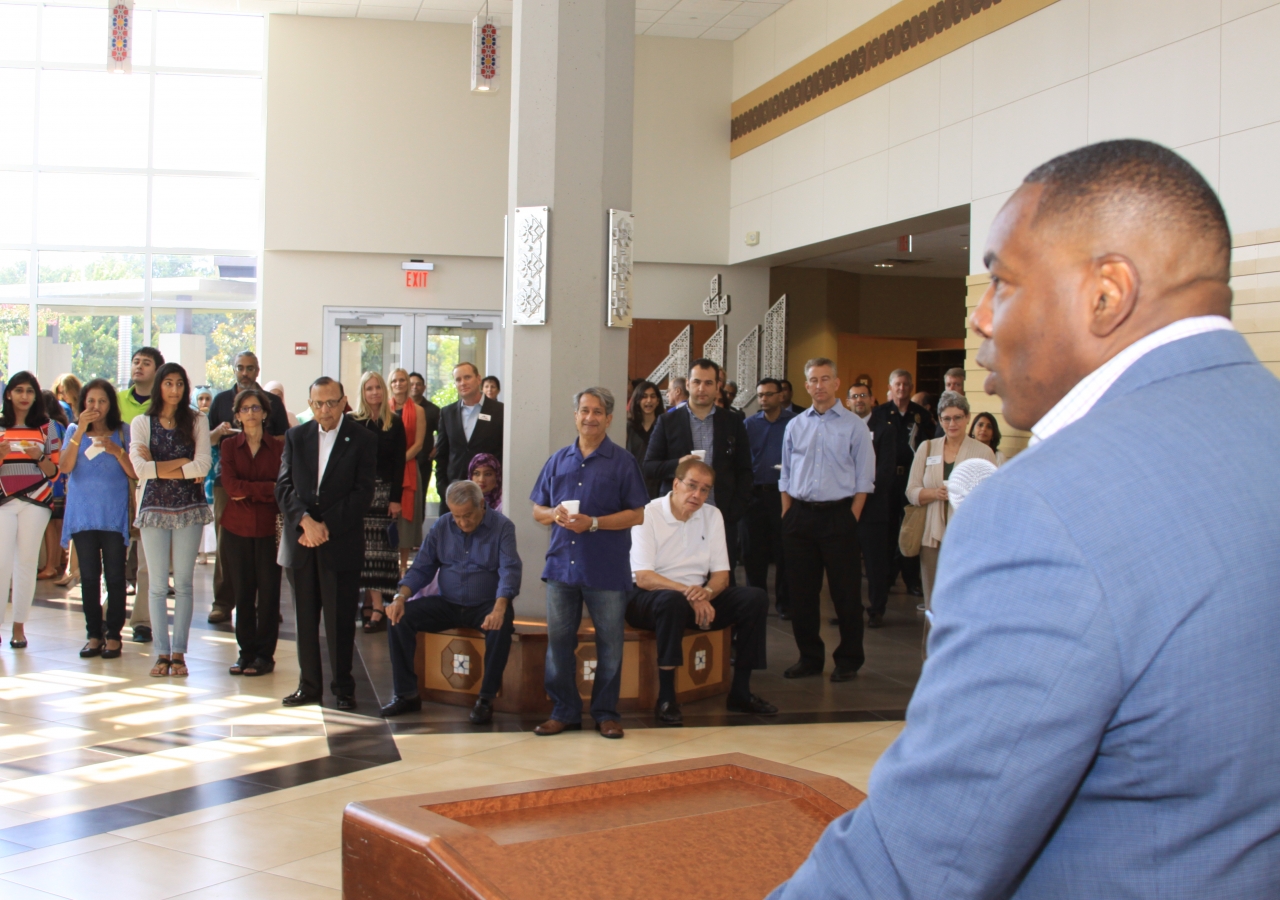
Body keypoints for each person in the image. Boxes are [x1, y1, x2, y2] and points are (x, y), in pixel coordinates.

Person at [771, 140, 1280, 898]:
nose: (978, 318)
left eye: (1002, 282)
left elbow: (917, 864)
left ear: (1106, 294)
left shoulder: (1045, 508)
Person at [530, 387, 648, 740]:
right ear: (576, 415)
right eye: (584, 410)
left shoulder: (623, 462)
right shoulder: (558, 460)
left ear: (609, 419)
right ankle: (563, 711)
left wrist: (594, 523)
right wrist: (554, 513)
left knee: (610, 644)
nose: (590, 417)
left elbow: (638, 515)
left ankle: (606, 714)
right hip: (561, 569)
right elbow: (537, 510)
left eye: (598, 412)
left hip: (606, 569)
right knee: (559, 644)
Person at [627, 458, 776, 726]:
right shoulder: (647, 513)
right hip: (650, 597)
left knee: (754, 598)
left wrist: (705, 593)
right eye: (692, 486)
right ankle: (666, 698)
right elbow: (644, 577)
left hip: (695, 597)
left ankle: (741, 691)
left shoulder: (712, 515)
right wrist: (691, 593)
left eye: (705, 489)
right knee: (671, 602)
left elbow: (721, 576)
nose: (697, 495)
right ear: (675, 483)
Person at [379, 480, 521, 724]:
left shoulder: (502, 527)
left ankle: (485, 700)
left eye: (468, 515)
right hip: (448, 603)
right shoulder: (442, 526)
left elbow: (510, 570)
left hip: (486, 604)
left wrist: (500, 608)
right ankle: (407, 694)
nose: (462, 522)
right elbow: (422, 566)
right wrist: (400, 597)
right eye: (456, 516)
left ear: (481, 505)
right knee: (399, 619)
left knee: (501, 626)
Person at [276, 376, 377, 710]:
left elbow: (363, 493)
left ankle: (343, 687)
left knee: (340, 621)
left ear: (344, 402)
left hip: (340, 543)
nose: (324, 409)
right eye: (318, 403)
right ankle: (309, 686)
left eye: (331, 402)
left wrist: (324, 526)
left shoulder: (361, 439)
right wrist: (305, 521)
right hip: (301, 542)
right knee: (304, 620)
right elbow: (284, 487)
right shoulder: (296, 436)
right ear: (310, 404)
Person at [778, 358, 874, 682]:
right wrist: (787, 512)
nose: (819, 385)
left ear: (836, 383)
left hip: (838, 517)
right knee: (802, 595)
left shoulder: (854, 426)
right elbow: (786, 474)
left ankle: (848, 659)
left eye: (825, 378)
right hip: (800, 517)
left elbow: (865, 479)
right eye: (813, 380)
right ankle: (809, 658)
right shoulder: (795, 425)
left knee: (845, 593)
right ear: (806, 386)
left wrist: (852, 517)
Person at [130, 362, 213, 678]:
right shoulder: (142, 422)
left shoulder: (197, 420)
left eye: (180, 383)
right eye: (169, 383)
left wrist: (163, 464)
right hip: (152, 507)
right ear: (159, 386)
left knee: (184, 583)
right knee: (155, 585)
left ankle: (179, 653)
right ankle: (160, 654)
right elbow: (140, 469)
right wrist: (182, 463)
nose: (175, 389)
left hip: (189, 507)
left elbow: (202, 464)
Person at [643, 359, 753, 581]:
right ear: (688, 384)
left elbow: (744, 470)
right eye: (697, 382)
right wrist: (678, 464)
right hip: (677, 517)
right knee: (679, 576)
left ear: (717, 386)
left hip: (721, 515)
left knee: (722, 579)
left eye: (708, 383)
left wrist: (735, 511)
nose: (702, 388)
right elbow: (649, 467)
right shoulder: (667, 421)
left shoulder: (733, 421)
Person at [206, 351, 290, 625]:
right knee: (227, 545)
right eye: (240, 367)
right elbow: (205, 440)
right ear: (234, 369)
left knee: (266, 549)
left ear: (257, 370)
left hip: (266, 479)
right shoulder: (220, 400)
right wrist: (220, 433)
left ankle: (264, 604)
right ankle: (223, 602)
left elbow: (284, 440)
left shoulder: (273, 402)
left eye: (250, 368)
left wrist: (260, 436)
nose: (245, 372)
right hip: (227, 482)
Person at [906, 391, 994, 625]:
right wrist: (934, 493)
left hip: (967, 538)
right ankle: (931, 658)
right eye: (946, 418)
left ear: (967, 418)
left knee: (964, 602)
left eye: (957, 417)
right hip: (931, 536)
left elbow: (991, 498)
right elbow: (911, 491)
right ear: (939, 420)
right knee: (934, 605)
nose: (952, 423)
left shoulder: (983, 452)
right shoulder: (927, 448)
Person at [61, 379, 134, 660]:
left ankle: (114, 635)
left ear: (111, 404)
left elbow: (134, 473)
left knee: (115, 578)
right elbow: (65, 466)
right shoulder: (72, 430)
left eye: (102, 401)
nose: (96, 407)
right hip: (83, 515)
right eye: (90, 401)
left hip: (113, 516)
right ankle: (94, 635)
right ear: (82, 404)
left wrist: (117, 451)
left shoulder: (123, 432)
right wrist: (79, 429)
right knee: (89, 579)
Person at [220, 388, 284, 677]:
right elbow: (231, 487)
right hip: (236, 529)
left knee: (269, 595)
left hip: (269, 530)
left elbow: (281, 489)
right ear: (237, 415)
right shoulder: (229, 446)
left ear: (265, 413)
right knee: (243, 593)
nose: (250, 413)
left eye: (255, 408)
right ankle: (245, 654)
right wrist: (264, 489)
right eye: (244, 409)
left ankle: (264, 656)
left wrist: (251, 491)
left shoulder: (280, 448)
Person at [0, 372, 62, 649]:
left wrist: (39, 457)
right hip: (3, 499)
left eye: (30, 391)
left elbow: (55, 472)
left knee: (25, 563)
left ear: (36, 396)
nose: (24, 396)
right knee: (1, 565)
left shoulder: (47, 428)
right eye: (19, 390)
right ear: (9, 394)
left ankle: (19, 626)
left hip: (37, 500)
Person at [868, 369, 931, 599]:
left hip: (911, 480)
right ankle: (885, 579)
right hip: (885, 480)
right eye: (897, 384)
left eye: (905, 384)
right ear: (890, 386)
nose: (902, 388)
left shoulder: (921, 415)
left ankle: (911, 580)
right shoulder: (880, 413)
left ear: (911, 387)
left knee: (910, 530)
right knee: (887, 531)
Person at [353, 372, 406, 634]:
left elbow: (399, 465)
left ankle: (377, 606)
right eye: (368, 388)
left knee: (380, 553)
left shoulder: (394, 422)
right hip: (360, 495)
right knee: (361, 553)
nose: (374, 392)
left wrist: (396, 498)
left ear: (384, 392)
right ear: (362, 392)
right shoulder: (354, 422)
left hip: (384, 496)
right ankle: (369, 602)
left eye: (377, 388)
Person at [119, 347, 163, 643]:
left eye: (146, 363)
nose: (139, 367)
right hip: (117, 485)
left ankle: (142, 620)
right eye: (136, 361)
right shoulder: (118, 401)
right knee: (114, 555)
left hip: (149, 485)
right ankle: (111, 612)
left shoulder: (164, 404)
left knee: (148, 560)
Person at [742, 378, 794, 619]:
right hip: (754, 494)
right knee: (754, 553)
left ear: (780, 396)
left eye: (769, 394)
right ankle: (757, 602)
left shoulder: (793, 423)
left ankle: (785, 603)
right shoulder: (749, 424)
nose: (764, 399)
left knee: (784, 550)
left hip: (782, 494)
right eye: (760, 395)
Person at [848, 382, 896, 628]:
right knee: (847, 565)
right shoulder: (843, 427)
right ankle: (850, 609)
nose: (859, 400)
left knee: (875, 563)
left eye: (863, 396)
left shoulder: (884, 430)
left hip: (873, 508)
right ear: (847, 402)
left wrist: (863, 495)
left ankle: (877, 609)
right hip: (845, 508)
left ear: (872, 399)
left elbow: (885, 471)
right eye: (854, 396)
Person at [435, 362, 503, 499]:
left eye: (467, 377)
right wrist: (442, 488)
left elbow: (503, 452)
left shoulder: (500, 411)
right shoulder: (447, 413)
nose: (463, 383)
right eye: (458, 380)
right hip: (454, 492)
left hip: (489, 493)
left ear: (478, 379)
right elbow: (442, 454)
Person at [388, 368, 426, 573]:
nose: (399, 384)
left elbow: (419, 444)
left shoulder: (419, 411)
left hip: (409, 468)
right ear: (390, 384)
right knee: (389, 516)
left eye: (402, 380)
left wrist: (398, 461)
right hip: (387, 471)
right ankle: (390, 562)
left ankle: (404, 566)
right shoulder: (383, 408)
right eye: (394, 380)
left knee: (406, 521)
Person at [38, 391, 68, 583]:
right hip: (63, 481)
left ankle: (50, 565)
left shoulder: (49, 426)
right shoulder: (63, 426)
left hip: (51, 481)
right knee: (57, 524)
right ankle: (56, 563)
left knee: (49, 522)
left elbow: (51, 454)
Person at [625, 380, 664, 497]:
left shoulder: (664, 426)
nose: (649, 401)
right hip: (633, 484)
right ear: (637, 400)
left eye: (653, 397)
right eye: (644, 397)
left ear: (658, 401)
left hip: (658, 485)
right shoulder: (628, 427)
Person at [407, 372, 441, 506]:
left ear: (424, 387)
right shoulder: (398, 408)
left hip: (423, 461)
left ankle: (418, 527)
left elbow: (444, 433)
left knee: (419, 498)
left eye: (418, 384)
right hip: (403, 460)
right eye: (412, 384)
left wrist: (436, 449)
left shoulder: (433, 410)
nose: (415, 387)